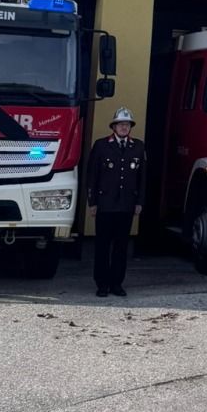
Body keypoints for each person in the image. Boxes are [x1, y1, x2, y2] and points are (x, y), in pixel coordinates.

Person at [86, 107, 146, 298]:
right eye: (121, 124)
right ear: (114, 126)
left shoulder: (138, 146)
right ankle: (102, 283)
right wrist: (92, 201)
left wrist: (139, 202)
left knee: (121, 247)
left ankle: (117, 283)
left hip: (126, 205)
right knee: (103, 246)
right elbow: (92, 176)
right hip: (105, 204)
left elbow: (142, 178)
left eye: (127, 124)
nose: (124, 127)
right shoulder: (102, 145)